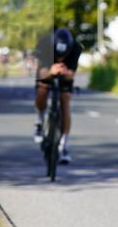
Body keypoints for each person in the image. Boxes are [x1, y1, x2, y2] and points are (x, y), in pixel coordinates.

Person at [33, 27, 82, 164]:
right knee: (42, 89)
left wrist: (65, 72)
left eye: (63, 56)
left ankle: (64, 144)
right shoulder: (44, 44)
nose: (60, 58)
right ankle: (39, 121)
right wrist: (51, 72)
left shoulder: (76, 48)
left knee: (65, 99)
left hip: (65, 72)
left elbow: (72, 74)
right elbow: (42, 73)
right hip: (47, 68)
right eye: (58, 56)